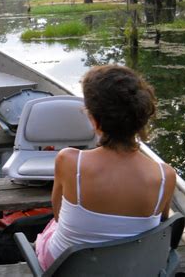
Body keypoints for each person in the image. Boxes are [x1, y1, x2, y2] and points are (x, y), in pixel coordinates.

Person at [35, 65, 176, 270]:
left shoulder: (68, 161)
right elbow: (161, 225)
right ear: (140, 118)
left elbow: (58, 215)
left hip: (68, 270)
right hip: (132, 270)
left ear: (95, 121)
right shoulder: (165, 176)